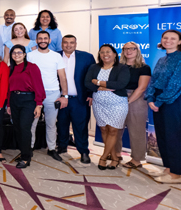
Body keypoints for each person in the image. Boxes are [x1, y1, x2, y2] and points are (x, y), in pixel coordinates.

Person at [144, 30, 181, 184]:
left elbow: (175, 85)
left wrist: (158, 102)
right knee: (163, 137)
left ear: (180, 41)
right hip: (160, 101)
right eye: (165, 38)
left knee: (175, 138)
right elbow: (154, 81)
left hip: (177, 102)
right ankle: (168, 168)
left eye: (173, 38)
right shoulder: (162, 59)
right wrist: (150, 98)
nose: (168, 40)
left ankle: (176, 174)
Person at [85, 44, 130, 171]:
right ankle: (114, 157)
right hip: (99, 103)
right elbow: (87, 83)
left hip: (117, 103)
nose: (105, 54)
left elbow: (120, 84)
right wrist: (105, 87)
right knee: (104, 129)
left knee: (113, 130)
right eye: (102, 52)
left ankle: (103, 157)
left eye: (108, 52)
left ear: (115, 54)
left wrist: (98, 82)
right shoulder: (94, 67)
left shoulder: (122, 68)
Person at [27, 31, 68, 162]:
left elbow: (62, 77)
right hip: (34, 94)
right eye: (40, 38)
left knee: (51, 124)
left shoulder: (56, 56)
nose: (43, 40)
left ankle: (51, 149)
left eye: (45, 38)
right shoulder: (29, 56)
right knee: (32, 123)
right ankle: (29, 148)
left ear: (49, 40)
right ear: (36, 40)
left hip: (52, 93)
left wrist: (64, 95)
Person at [57, 35, 95, 164]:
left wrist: (91, 94)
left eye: (71, 42)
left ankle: (83, 151)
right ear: (61, 44)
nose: (68, 45)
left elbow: (93, 76)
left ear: (76, 44)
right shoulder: (55, 56)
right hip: (60, 98)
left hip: (80, 99)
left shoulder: (87, 57)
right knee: (61, 124)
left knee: (81, 126)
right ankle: (62, 146)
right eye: (65, 42)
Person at [7, 45, 45, 169]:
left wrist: (39, 104)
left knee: (24, 128)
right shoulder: (10, 69)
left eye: (19, 52)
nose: (16, 55)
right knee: (17, 128)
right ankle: (25, 151)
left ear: (24, 54)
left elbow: (38, 86)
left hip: (28, 100)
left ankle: (25, 158)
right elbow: (9, 88)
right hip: (14, 100)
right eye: (14, 53)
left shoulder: (32, 67)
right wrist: (8, 105)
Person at [117, 42, 152, 170]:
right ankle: (116, 154)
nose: (129, 51)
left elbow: (142, 88)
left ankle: (136, 159)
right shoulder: (118, 66)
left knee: (136, 130)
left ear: (137, 51)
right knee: (115, 128)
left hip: (136, 98)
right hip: (118, 96)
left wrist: (128, 101)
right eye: (126, 49)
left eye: (132, 49)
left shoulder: (144, 67)